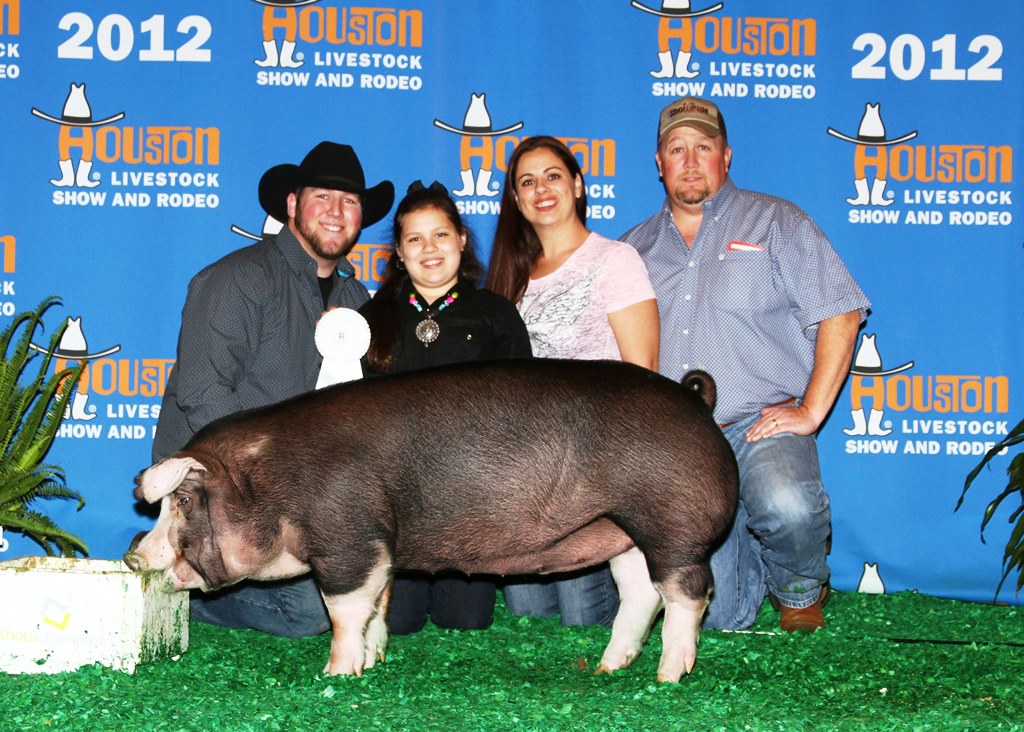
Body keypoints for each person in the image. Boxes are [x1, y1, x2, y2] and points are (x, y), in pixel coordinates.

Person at [621, 97, 870, 633]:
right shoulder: (631, 250)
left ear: (726, 156)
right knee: (725, 619)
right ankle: (747, 554)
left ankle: (799, 589)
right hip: (679, 442)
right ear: (658, 163)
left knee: (786, 503)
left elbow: (842, 314)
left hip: (760, 426)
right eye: (676, 149)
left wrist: (809, 409)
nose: (690, 161)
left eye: (703, 148)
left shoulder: (777, 221)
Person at [151, 140, 394, 638]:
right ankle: (170, 582)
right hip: (217, 484)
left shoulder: (359, 300)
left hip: (301, 492)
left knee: (358, 587)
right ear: (292, 205)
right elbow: (201, 395)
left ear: (361, 218)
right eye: (322, 197)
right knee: (304, 615)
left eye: (349, 201)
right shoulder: (235, 279)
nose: (336, 211)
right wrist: (276, 489)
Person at [486, 135, 659, 627]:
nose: (541, 189)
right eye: (527, 182)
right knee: (530, 621)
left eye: (553, 176)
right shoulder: (508, 278)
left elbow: (641, 376)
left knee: (582, 622)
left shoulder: (615, 260)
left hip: (591, 468)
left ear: (578, 185)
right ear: (517, 201)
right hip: (524, 474)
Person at [359, 180, 532, 634]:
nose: (428, 248)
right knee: (400, 621)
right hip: (397, 502)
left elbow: (524, 413)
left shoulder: (497, 315)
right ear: (399, 251)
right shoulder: (371, 317)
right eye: (414, 238)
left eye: (440, 234)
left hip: (471, 500)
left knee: (465, 621)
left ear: (460, 240)